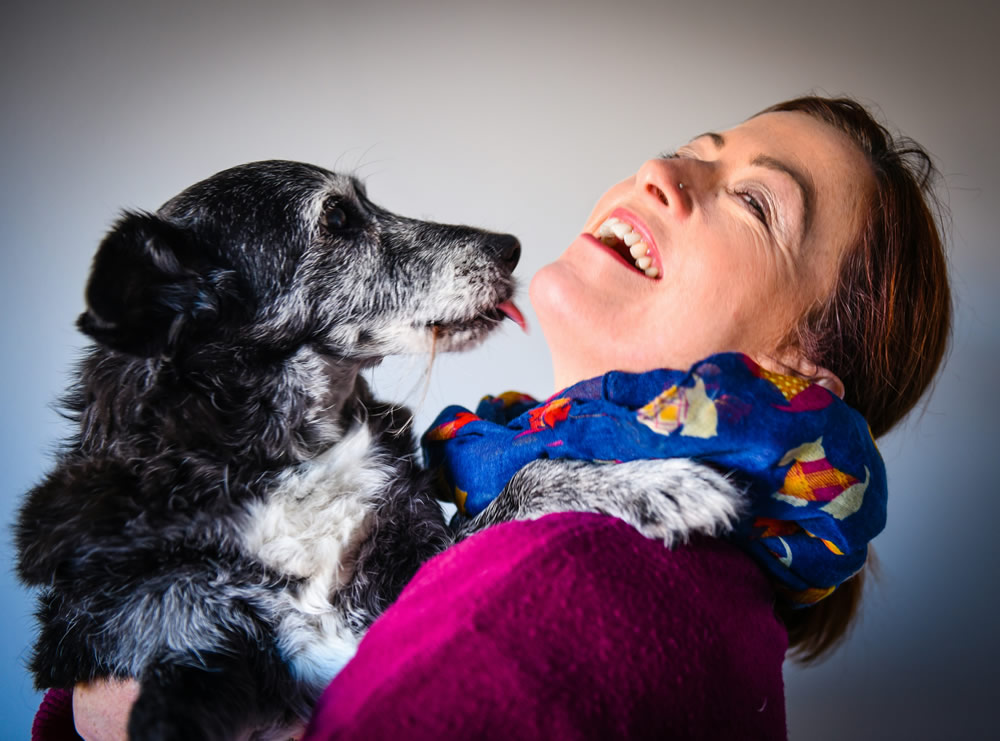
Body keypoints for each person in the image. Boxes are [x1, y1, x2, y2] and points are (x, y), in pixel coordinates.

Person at [42, 95, 950, 740]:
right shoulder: (516, 509)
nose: (661, 169)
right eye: (694, 147)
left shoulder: (579, 563)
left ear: (797, 370)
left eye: (755, 200)